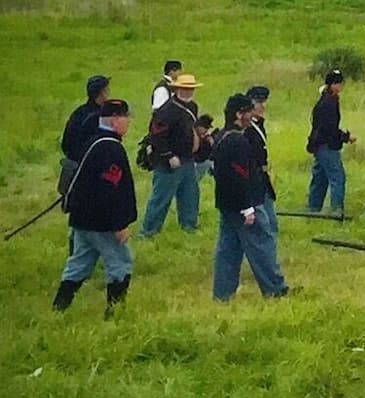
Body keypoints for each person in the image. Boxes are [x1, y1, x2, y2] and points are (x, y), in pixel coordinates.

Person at [54, 99, 137, 314]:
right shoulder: (110, 149)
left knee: (79, 263)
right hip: (101, 222)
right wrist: (119, 224)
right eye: (126, 117)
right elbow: (110, 190)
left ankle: (59, 308)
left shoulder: (93, 141)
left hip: (81, 218)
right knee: (121, 263)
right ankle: (115, 312)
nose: (128, 122)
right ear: (115, 120)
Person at [210, 94, 290, 301]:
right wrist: (247, 207)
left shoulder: (221, 136)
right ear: (239, 114)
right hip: (244, 203)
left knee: (228, 250)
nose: (251, 117)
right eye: (248, 113)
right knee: (261, 245)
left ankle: (222, 294)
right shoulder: (238, 141)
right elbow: (240, 176)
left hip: (226, 203)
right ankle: (275, 289)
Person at [138, 73, 204, 237]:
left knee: (190, 195)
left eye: (191, 89)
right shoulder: (166, 111)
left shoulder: (193, 107)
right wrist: (168, 156)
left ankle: (189, 226)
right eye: (185, 89)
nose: (188, 92)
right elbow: (156, 136)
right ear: (177, 89)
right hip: (168, 162)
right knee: (161, 198)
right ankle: (149, 231)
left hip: (188, 159)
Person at [306, 70, 354, 213]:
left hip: (319, 144)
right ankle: (336, 210)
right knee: (337, 177)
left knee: (320, 178)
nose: (341, 86)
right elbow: (329, 128)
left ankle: (313, 208)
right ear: (333, 85)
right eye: (338, 83)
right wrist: (345, 137)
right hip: (327, 145)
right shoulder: (329, 103)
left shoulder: (326, 100)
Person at [60, 75, 110, 197]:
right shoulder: (100, 117)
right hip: (88, 173)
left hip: (73, 166)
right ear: (102, 93)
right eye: (106, 90)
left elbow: (65, 143)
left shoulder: (79, 112)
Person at [246, 85, 280, 235]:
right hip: (254, 175)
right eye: (259, 103)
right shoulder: (248, 128)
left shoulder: (258, 124)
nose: (262, 106)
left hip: (262, 174)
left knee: (269, 212)